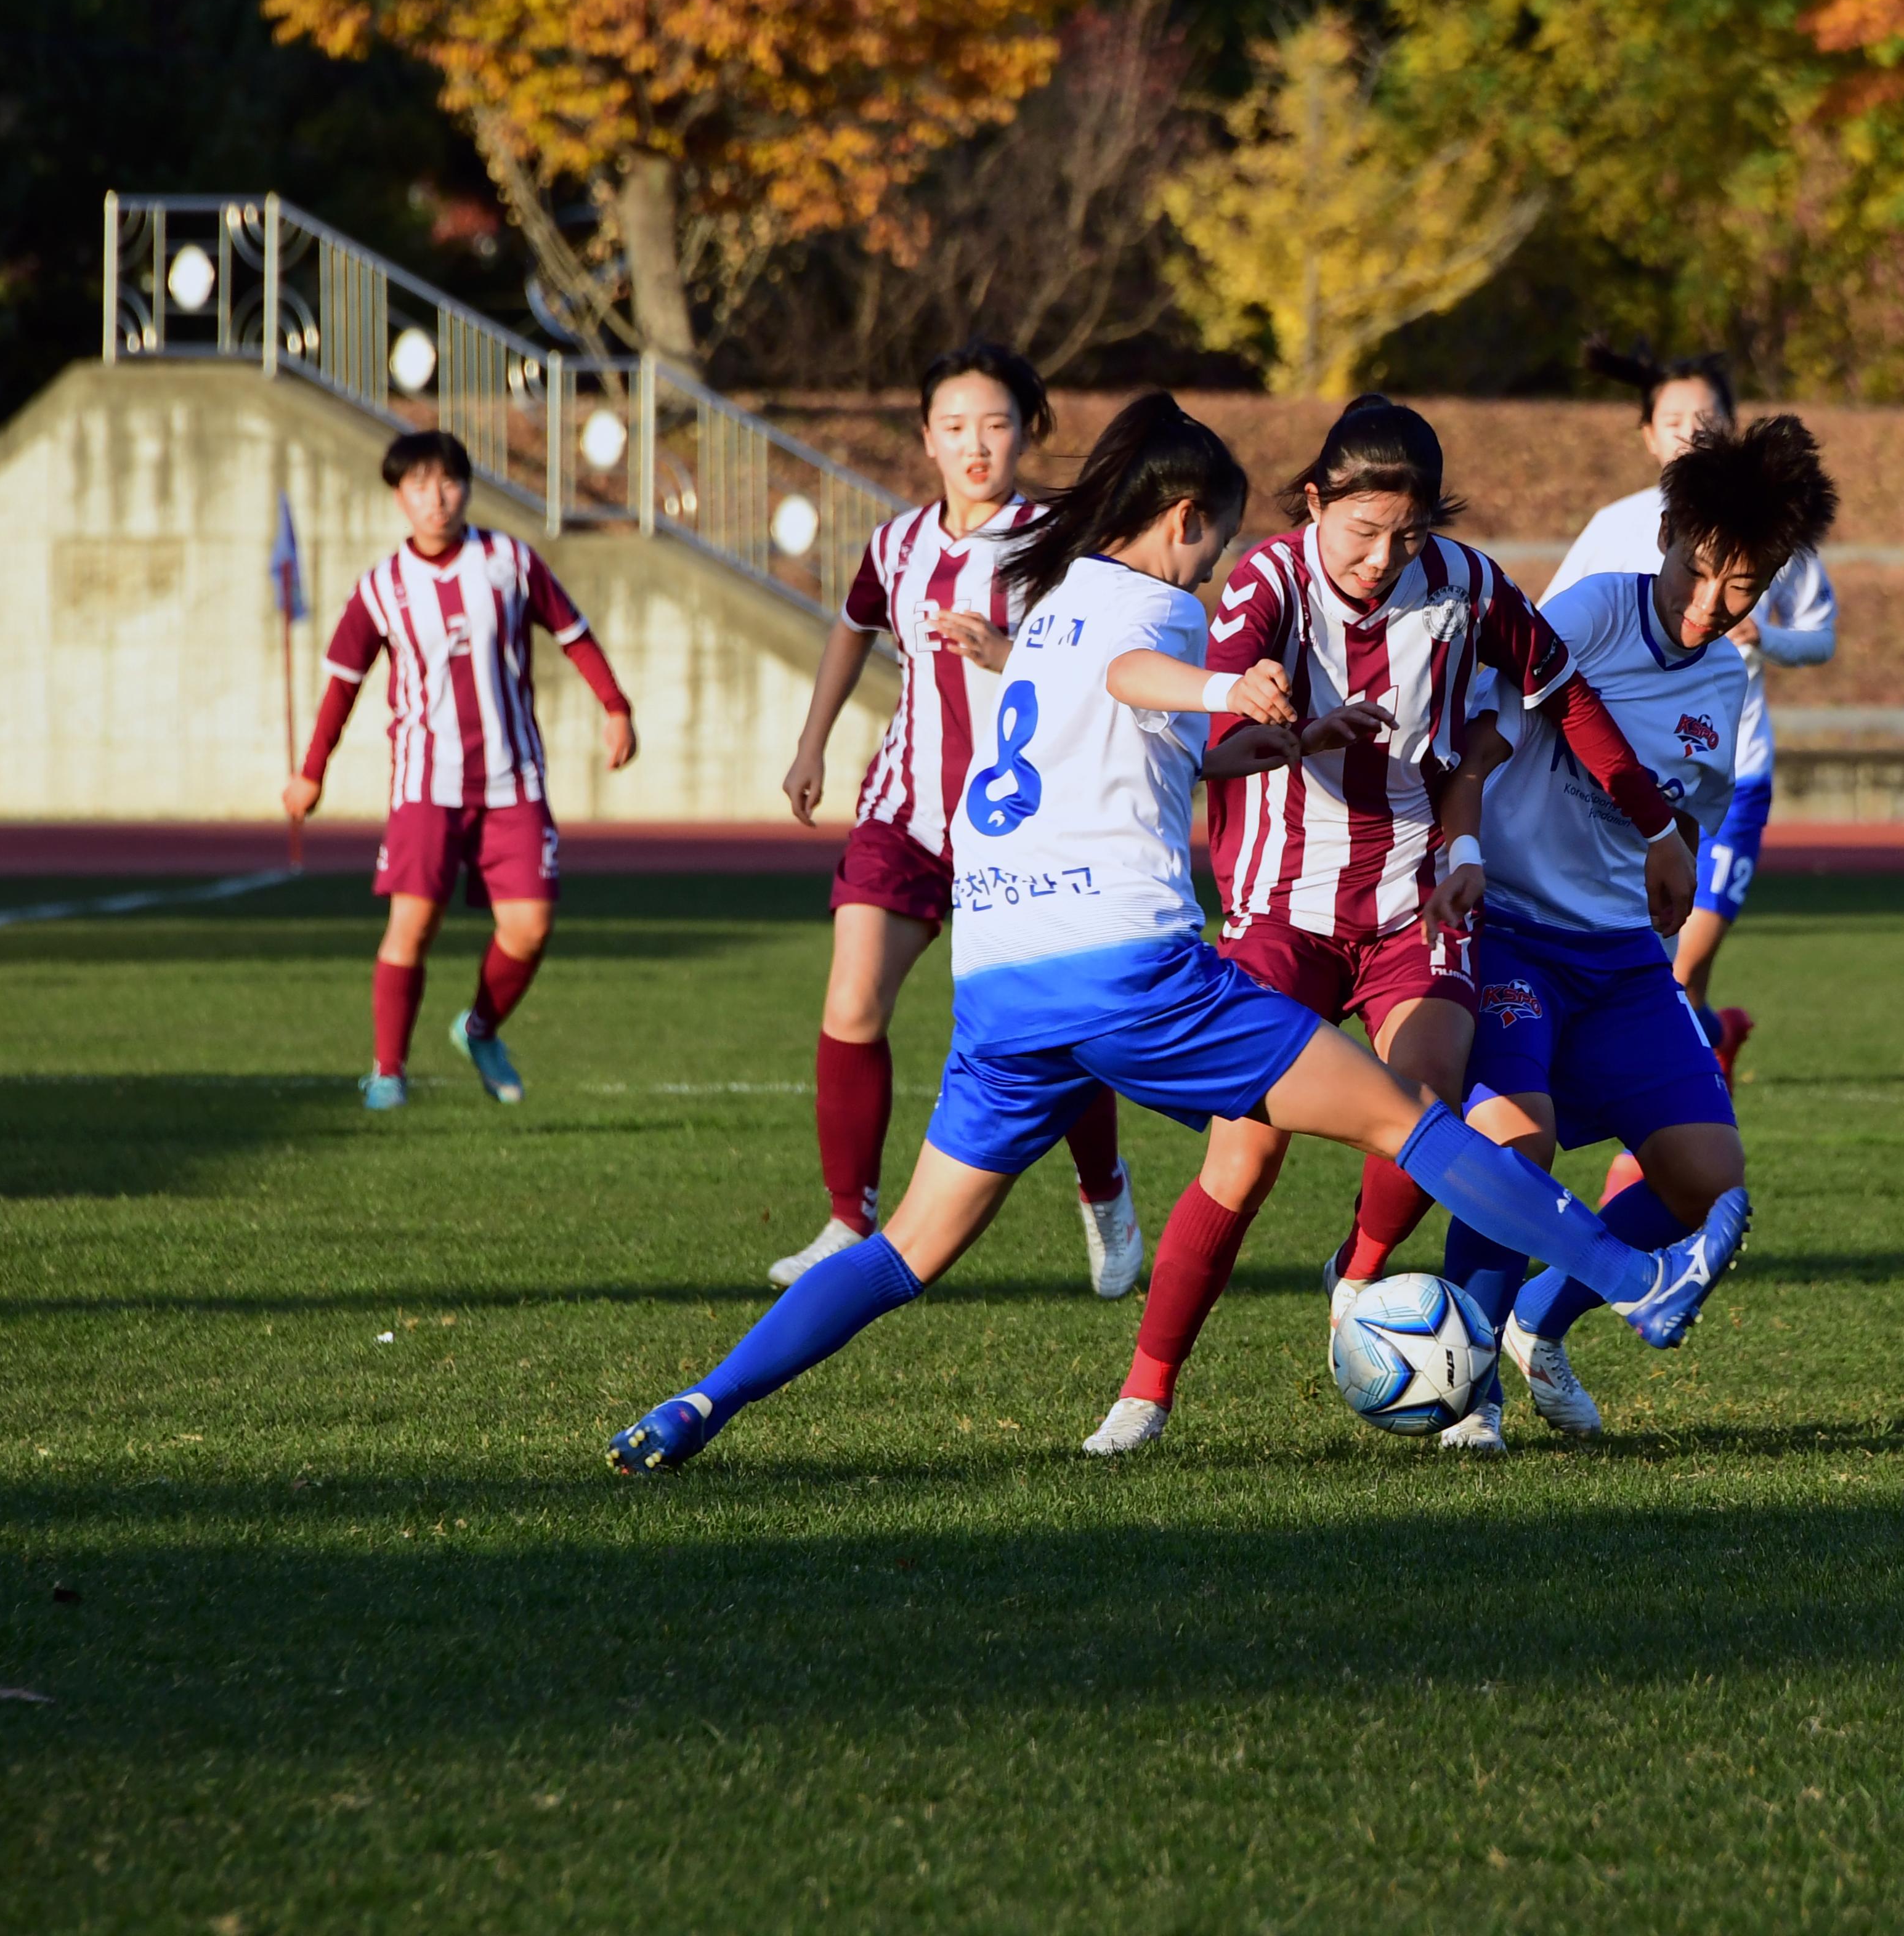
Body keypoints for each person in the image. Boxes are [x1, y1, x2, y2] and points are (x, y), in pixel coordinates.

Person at [606, 394, 1746, 1477]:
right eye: (1215, 541)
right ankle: (1632, 1278)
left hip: (1000, 983)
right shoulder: (1157, 608)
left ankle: (698, 1402)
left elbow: (1150, 736)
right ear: (1186, 521)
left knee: (904, 1249)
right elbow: (1140, 674)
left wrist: (1274, 734)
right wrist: (1213, 682)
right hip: (1130, 974)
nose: (1214, 563)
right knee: (1409, 1118)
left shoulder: (1047, 612)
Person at [1080, 395, 1694, 1457]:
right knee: (1244, 1156)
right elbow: (1207, 745)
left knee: (1425, 1107)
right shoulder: (1266, 582)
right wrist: (1273, 718)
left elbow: (1564, 695)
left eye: (1405, 535)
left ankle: (1360, 1269)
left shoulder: (1464, 585)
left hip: (1413, 908)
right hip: (1281, 910)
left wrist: (1655, 827)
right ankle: (1144, 1392)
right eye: (1362, 530)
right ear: (1315, 500)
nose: (1382, 556)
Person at [1451, 414, 1839, 1441]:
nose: (1712, 605)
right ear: (1667, 533)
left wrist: (1674, 875)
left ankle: (1540, 1321)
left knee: (1706, 1180)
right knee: (1513, 1140)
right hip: (1514, 932)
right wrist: (1459, 847)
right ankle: (1468, 1388)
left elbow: (1695, 810)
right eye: (1702, 571)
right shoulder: (1589, 614)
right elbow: (1480, 741)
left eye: (1744, 587)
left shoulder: (1726, 681)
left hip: (1619, 954)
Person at [769, 344, 1135, 1295]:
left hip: (1019, 821)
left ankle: (1105, 1194)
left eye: (998, 425)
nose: (977, 445)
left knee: (1056, 1026)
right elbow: (853, 626)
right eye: (956, 427)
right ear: (927, 439)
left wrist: (1007, 650)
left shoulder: (1060, 537)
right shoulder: (894, 546)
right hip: (906, 809)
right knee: (851, 1001)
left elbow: (1101, 664)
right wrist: (812, 745)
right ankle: (850, 1221)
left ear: (1027, 434)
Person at [285, 428, 637, 1109]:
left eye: (448, 482)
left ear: (468, 487)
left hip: (514, 779)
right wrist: (312, 770)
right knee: (413, 926)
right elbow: (342, 682)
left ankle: (480, 1028)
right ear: (398, 497)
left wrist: (615, 705)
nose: (436, 498)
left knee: (531, 926)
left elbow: (573, 632)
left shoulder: (509, 562)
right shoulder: (382, 588)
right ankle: (389, 1070)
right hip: (426, 784)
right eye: (419, 485)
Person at [1547, 349, 1836, 1079]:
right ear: (1648, 435)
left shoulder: (1777, 539)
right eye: (1672, 420)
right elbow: (1542, 639)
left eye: (1704, 418)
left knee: (1677, 971)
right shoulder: (1616, 529)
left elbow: (1823, 635)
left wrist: (1770, 641)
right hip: (1611, 791)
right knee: (1672, 989)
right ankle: (1705, 1063)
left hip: (1726, 779)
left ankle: (1672, 1146)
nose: (1689, 431)